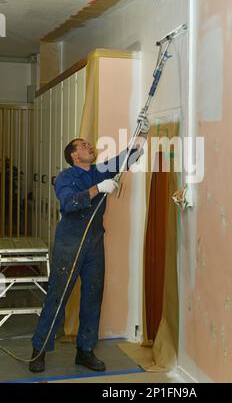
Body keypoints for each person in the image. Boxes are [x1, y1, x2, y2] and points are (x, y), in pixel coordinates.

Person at [29, 114, 149, 373]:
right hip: (69, 243)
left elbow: (129, 156)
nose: (90, 146)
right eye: (83, 145)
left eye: (89, 144)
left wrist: (142, 134)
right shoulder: (66, 177)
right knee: (58, 297)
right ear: (73, 155)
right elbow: (69, 204)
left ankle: (85, 351)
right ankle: (39, 349)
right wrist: (98, 189)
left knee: (93, 296)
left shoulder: (99, 171)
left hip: (94, 242)